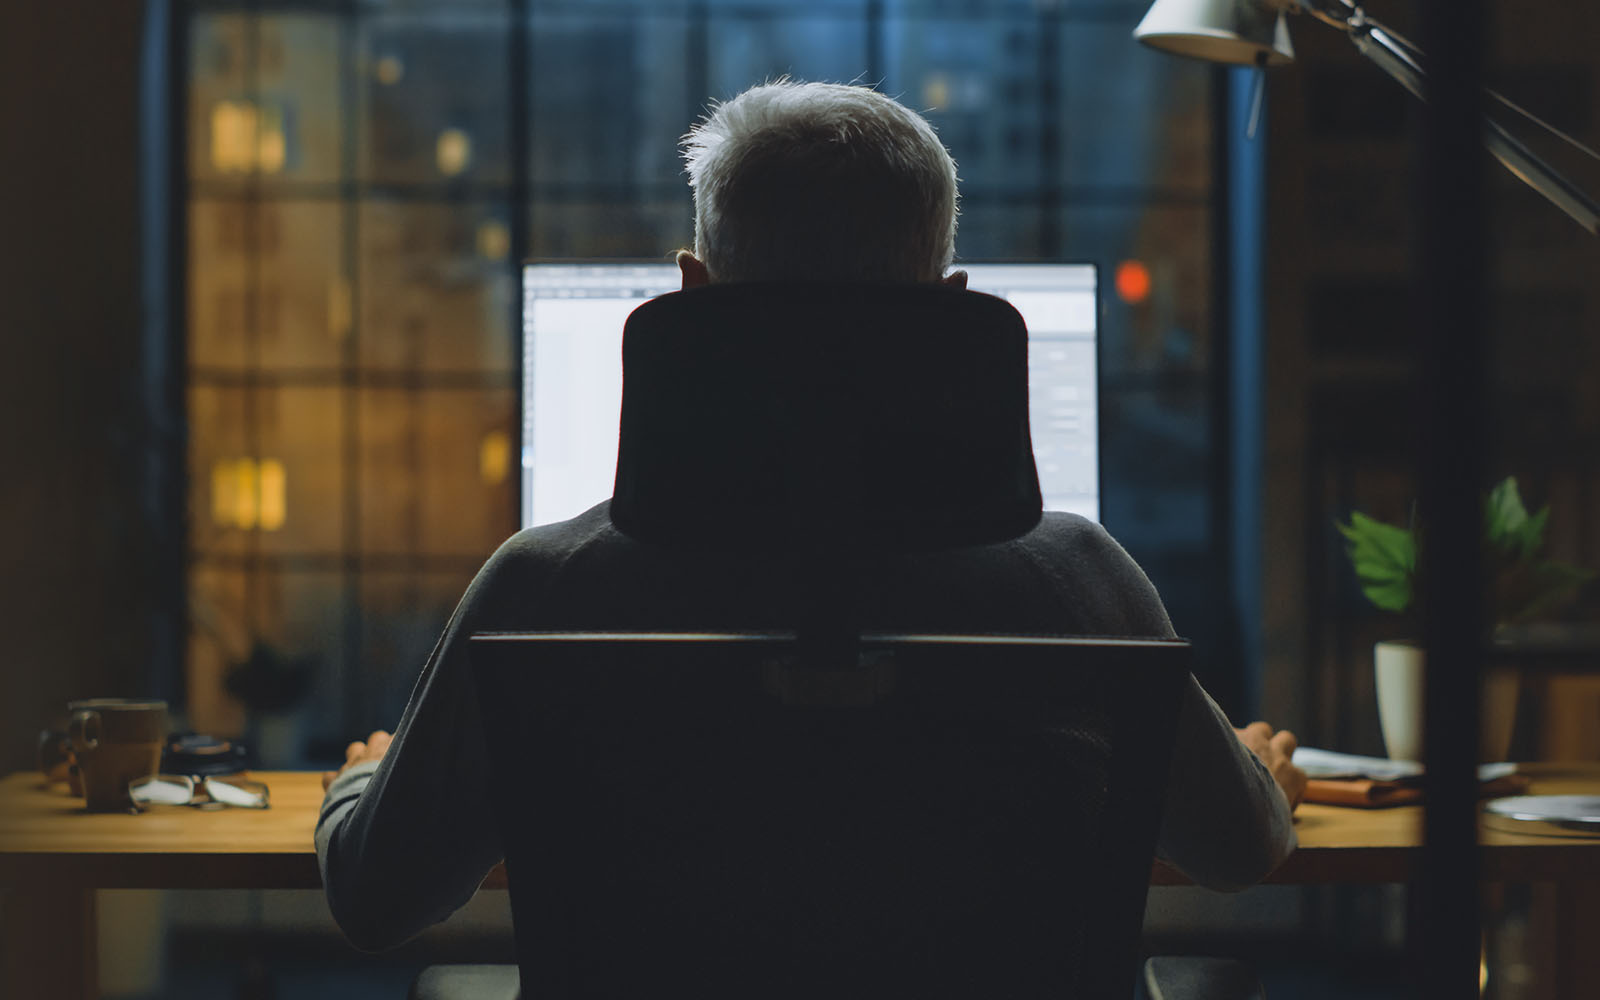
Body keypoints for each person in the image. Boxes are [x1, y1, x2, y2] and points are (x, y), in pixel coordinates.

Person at [316, 80, 1307, 953]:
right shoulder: (1078, 581)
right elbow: (1237, 848)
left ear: (691, 291)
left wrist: (364, 785)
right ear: (952, 306)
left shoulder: (542, 586)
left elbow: (376, 898)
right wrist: (1252, 776)